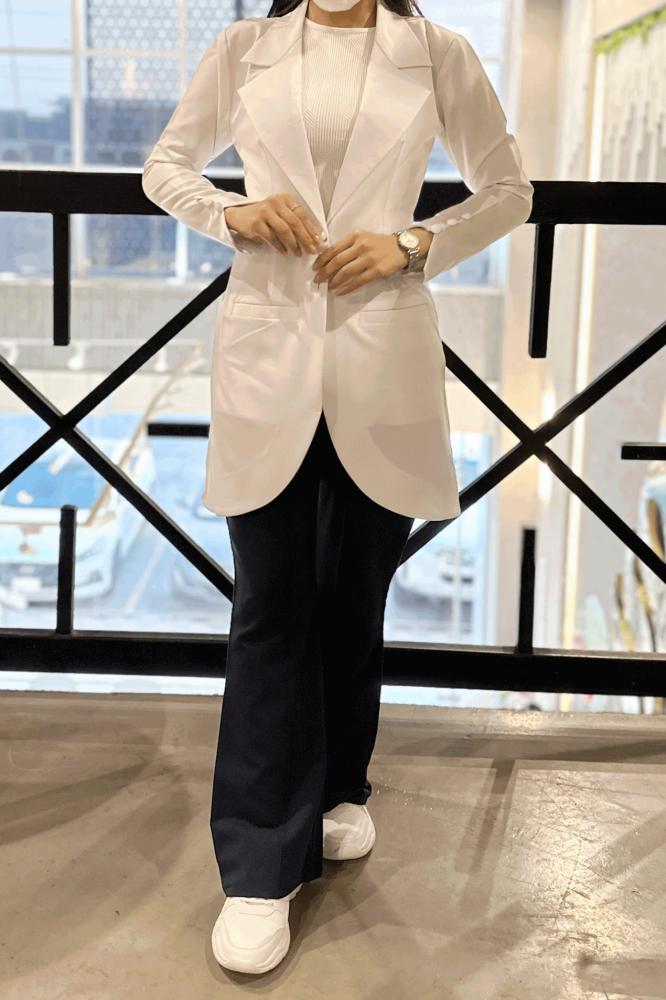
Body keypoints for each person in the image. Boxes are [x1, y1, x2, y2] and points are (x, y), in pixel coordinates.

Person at [142, 0, 533, 975]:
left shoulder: (436, 51)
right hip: (269, 354)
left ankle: (339, 784)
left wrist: (413, 243)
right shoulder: (245, 47)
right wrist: (229, 212)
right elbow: (165, 167)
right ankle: (259, 866)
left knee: (355, 594)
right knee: (271, 606)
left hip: (381, 352)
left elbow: (508, 190)